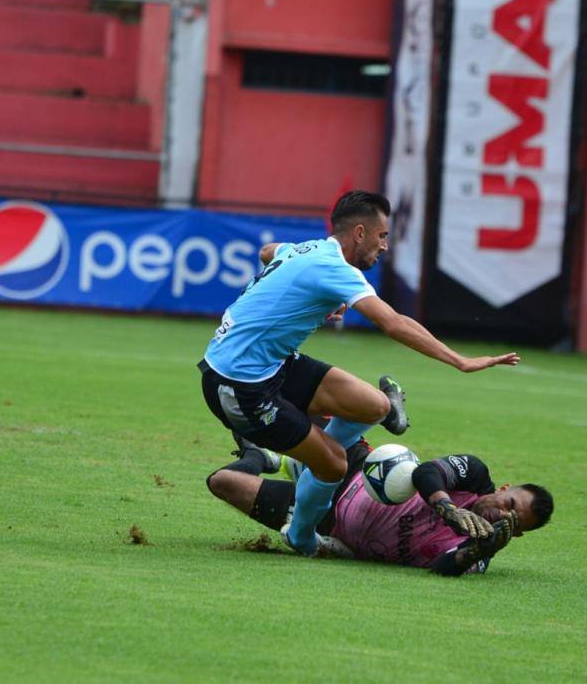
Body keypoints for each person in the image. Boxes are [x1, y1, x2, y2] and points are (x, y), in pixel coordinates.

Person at [198, 190, 520, 555]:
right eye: (382, 236)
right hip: (239, 385)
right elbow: (393, 323)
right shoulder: (335, 269)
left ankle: (308, 465)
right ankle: (302, 537)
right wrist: (460, 361)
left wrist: (313, 298)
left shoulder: (310, 250)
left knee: (375, 405)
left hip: (269, 364)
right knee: (334, 464)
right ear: (360, 233)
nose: (385, 246)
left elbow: (267, 251)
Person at [206, 435, 554, 576]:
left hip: (329, 522)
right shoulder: (475, 477)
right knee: (314, 406)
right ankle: (277, 457)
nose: (502, 514)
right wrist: (447, 508)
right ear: (505, 488)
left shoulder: (478, 551)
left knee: (222, 481)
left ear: (517, 535)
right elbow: (428, 472)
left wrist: (478, 550)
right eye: (509, 502)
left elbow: (445, 568)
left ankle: (259, 458)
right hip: (356, 470)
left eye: (514, 521)